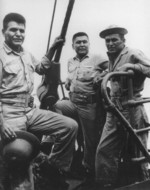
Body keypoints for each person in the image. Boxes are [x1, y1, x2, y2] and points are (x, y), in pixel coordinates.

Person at [0, 12, 78, 189]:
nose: (18, 34)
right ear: (3, 31)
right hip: (9, 115)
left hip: (30, 111)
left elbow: (41, 68)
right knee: (19, 158)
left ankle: (51, 169)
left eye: (21, 30)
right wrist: (2, 125)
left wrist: (52, 48)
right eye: (13, 30)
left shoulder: (26, 54)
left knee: (69, 126)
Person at [95, 25, 150, 188]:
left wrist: (132, 67)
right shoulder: (112, 56)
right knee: (104, 149)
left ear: (123, 40)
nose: (110, 43)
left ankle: (144, 182)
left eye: (114, 40)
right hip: (114, 108)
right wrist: (104, 75)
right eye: (107, 41)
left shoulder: (133, 53)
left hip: (131, 107)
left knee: (137, 149)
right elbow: (115, 74)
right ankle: (106, 184)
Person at [54, 32, 108, 180]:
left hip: (88, 105)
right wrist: (68, 81)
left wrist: (102, 76)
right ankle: (65, 160)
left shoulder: (97, 58)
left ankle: (89, 170)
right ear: (73, 45)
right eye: (78, 42)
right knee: (57, 106)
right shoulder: (71, 61)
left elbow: (113, 67)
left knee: (90, 140)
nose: (82, 44)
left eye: (85, 42)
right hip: (72, 102)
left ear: (89, 44)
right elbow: (72, 76)